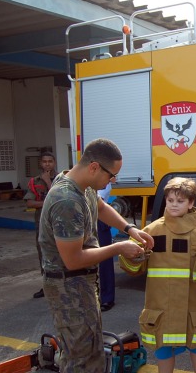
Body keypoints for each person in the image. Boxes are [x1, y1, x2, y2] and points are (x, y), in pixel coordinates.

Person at [39, 138, 154, 373]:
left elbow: (100, 208)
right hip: (67, 285)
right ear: (94, 167)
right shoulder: (66, 200)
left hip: (81, 282)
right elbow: (73, 259)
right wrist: (119, 247)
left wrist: (130, 229)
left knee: (92, 351)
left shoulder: (84, 187)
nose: (112, 180)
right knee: (78, 357)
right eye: (111, 175)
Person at [119, 177, 196, 373]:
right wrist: (134, 257)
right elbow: (131, 262)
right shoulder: (152, 230)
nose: (174, 205)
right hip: (162, 307)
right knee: (164, 350)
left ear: (191, 203)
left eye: (180, 201)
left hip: (194, 308)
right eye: (170, 200)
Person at [24, 151, 56, 299]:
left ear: (54, 163)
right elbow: (29, 202)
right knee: (43, 254)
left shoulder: (61, 179)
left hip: (58, 223)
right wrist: (47, 202)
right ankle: (47, 285)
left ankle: (62, 285)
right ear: (40, 163)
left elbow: (58, 196)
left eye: (50, 161)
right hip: (41, 223)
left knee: (61, 253)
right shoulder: (34, 181)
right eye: (44, 161)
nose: (47, 164)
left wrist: (49, 183)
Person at [97, 183, 116, 312]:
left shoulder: (103, 179)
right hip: (83, 218)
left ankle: (107, 298)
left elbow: (99, 201)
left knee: (104, 259)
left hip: (99, 218)